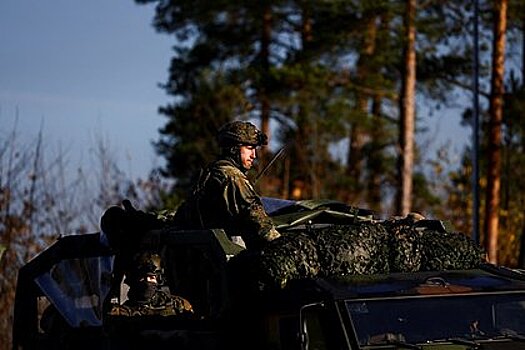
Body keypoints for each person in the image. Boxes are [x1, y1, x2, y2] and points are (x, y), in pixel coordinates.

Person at [174, 120, 280, 249]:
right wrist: (281, 245)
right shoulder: (232, 177)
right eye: (249, 148)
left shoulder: (209, 172)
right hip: (225, 258)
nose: (254, 155)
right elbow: (257, 221)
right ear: (234, 148)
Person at [108, 251, 194, 317]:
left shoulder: (178, 305)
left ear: (158, 279)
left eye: (151, 277)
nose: (146, 282)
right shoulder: (122, 313)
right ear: (132, 280)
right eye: (141, 278)